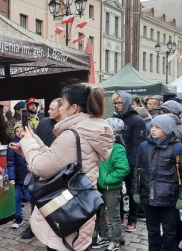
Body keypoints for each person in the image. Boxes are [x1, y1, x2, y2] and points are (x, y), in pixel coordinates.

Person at [10, 83, 113, 251]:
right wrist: (31, 142)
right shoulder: (90, 129)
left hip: (66, 211)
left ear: (73, 108)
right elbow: (55, 159)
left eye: (63, 105)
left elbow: (42, 166)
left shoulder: (72, 135)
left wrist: (27, 142)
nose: (61, 109)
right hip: (80, 207)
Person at [133, 114, 182, 251]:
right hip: (148, 196)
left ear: (167, 129)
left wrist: (180, 197)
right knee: (152, 230)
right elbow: (137, 170)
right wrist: (136, 191)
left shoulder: (177, 148)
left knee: (169, 231)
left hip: (169, 198)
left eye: (158, 127)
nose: (153, 129)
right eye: (153, 126)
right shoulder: (144, 146)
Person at [20, 98, 63, 240]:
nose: (48, 111)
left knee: (54, 200)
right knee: (35, 198)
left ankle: (55, 226)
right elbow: (34, 141)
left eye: (52, 109)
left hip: (56, 170)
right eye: (48, 108)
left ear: (61, 110)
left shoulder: (66, 128)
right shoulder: (43, 122)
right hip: (38, 166)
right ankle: (33, 226)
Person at [111, 92, 147, 232]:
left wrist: (132, 163)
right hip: (116, 161)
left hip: (131, 162)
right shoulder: (113, 118)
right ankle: (119, 216)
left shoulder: (137, 120)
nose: (118, 105)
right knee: (116, 191)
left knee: (132, 192)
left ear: (127, 102)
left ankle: (132, 218)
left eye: (120, 102)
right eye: (116, 103)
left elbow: (138, 145)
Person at [92, 118, 129, 251]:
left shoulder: (117, 148)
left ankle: (116, 241)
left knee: (114, 216)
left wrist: (107, 179)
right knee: (99, 212)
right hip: (99, 185)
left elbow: (123, 168)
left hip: (111, 187)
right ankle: (103, 236)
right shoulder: (101, 144)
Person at [6, 122, 28, 229]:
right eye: (17, 130)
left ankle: (34, 218)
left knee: (29, 196)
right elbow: (10, 162)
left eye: (21, 129)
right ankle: (18, 217)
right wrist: (12, 177)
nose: (19, 132)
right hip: (18, 175)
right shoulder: (12, 145)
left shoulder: (29, 142)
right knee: (17, 197)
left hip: (29, 175)